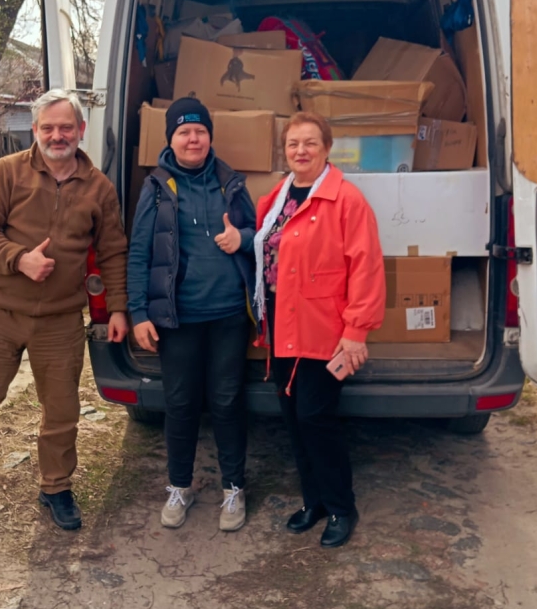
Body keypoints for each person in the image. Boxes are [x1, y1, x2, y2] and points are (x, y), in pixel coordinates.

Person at [0, 90, 129, 542]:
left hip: (60, 320)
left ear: (81, 131)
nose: (57, 136)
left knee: (62, 412)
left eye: (66, 127)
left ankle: (56, 488)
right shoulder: (8, 171)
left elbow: (113, 251)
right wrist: (19, 259)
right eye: (48, 128)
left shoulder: (98, 187)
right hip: (0, 312)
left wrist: (117, 308)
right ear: (35, 130)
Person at [253, 111, 386, 548]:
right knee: (293, 418)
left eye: (310, 142)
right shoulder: (278, 196)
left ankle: (342, 507)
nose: (301, 151)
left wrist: (356, 331)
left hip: (325, 330)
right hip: (282, 324)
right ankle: (315, 502)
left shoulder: (346, 200)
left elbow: (366, 267)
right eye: (293, 143)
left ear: (327, 148)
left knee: (316, 418)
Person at [128, 97, 256, 532]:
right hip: (177, 318)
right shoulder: (156, 187)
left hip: (228, 315)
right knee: (180, 404)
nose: (193, 139)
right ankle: (180, 486)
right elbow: (139, 253)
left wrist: (242, 238)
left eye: (200, 131)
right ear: (171, 139)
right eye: (183, 132)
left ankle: (234, 488)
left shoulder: (230, 183)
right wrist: (138, 312)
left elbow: (262, 234)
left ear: (210, 136)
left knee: (227, 401)